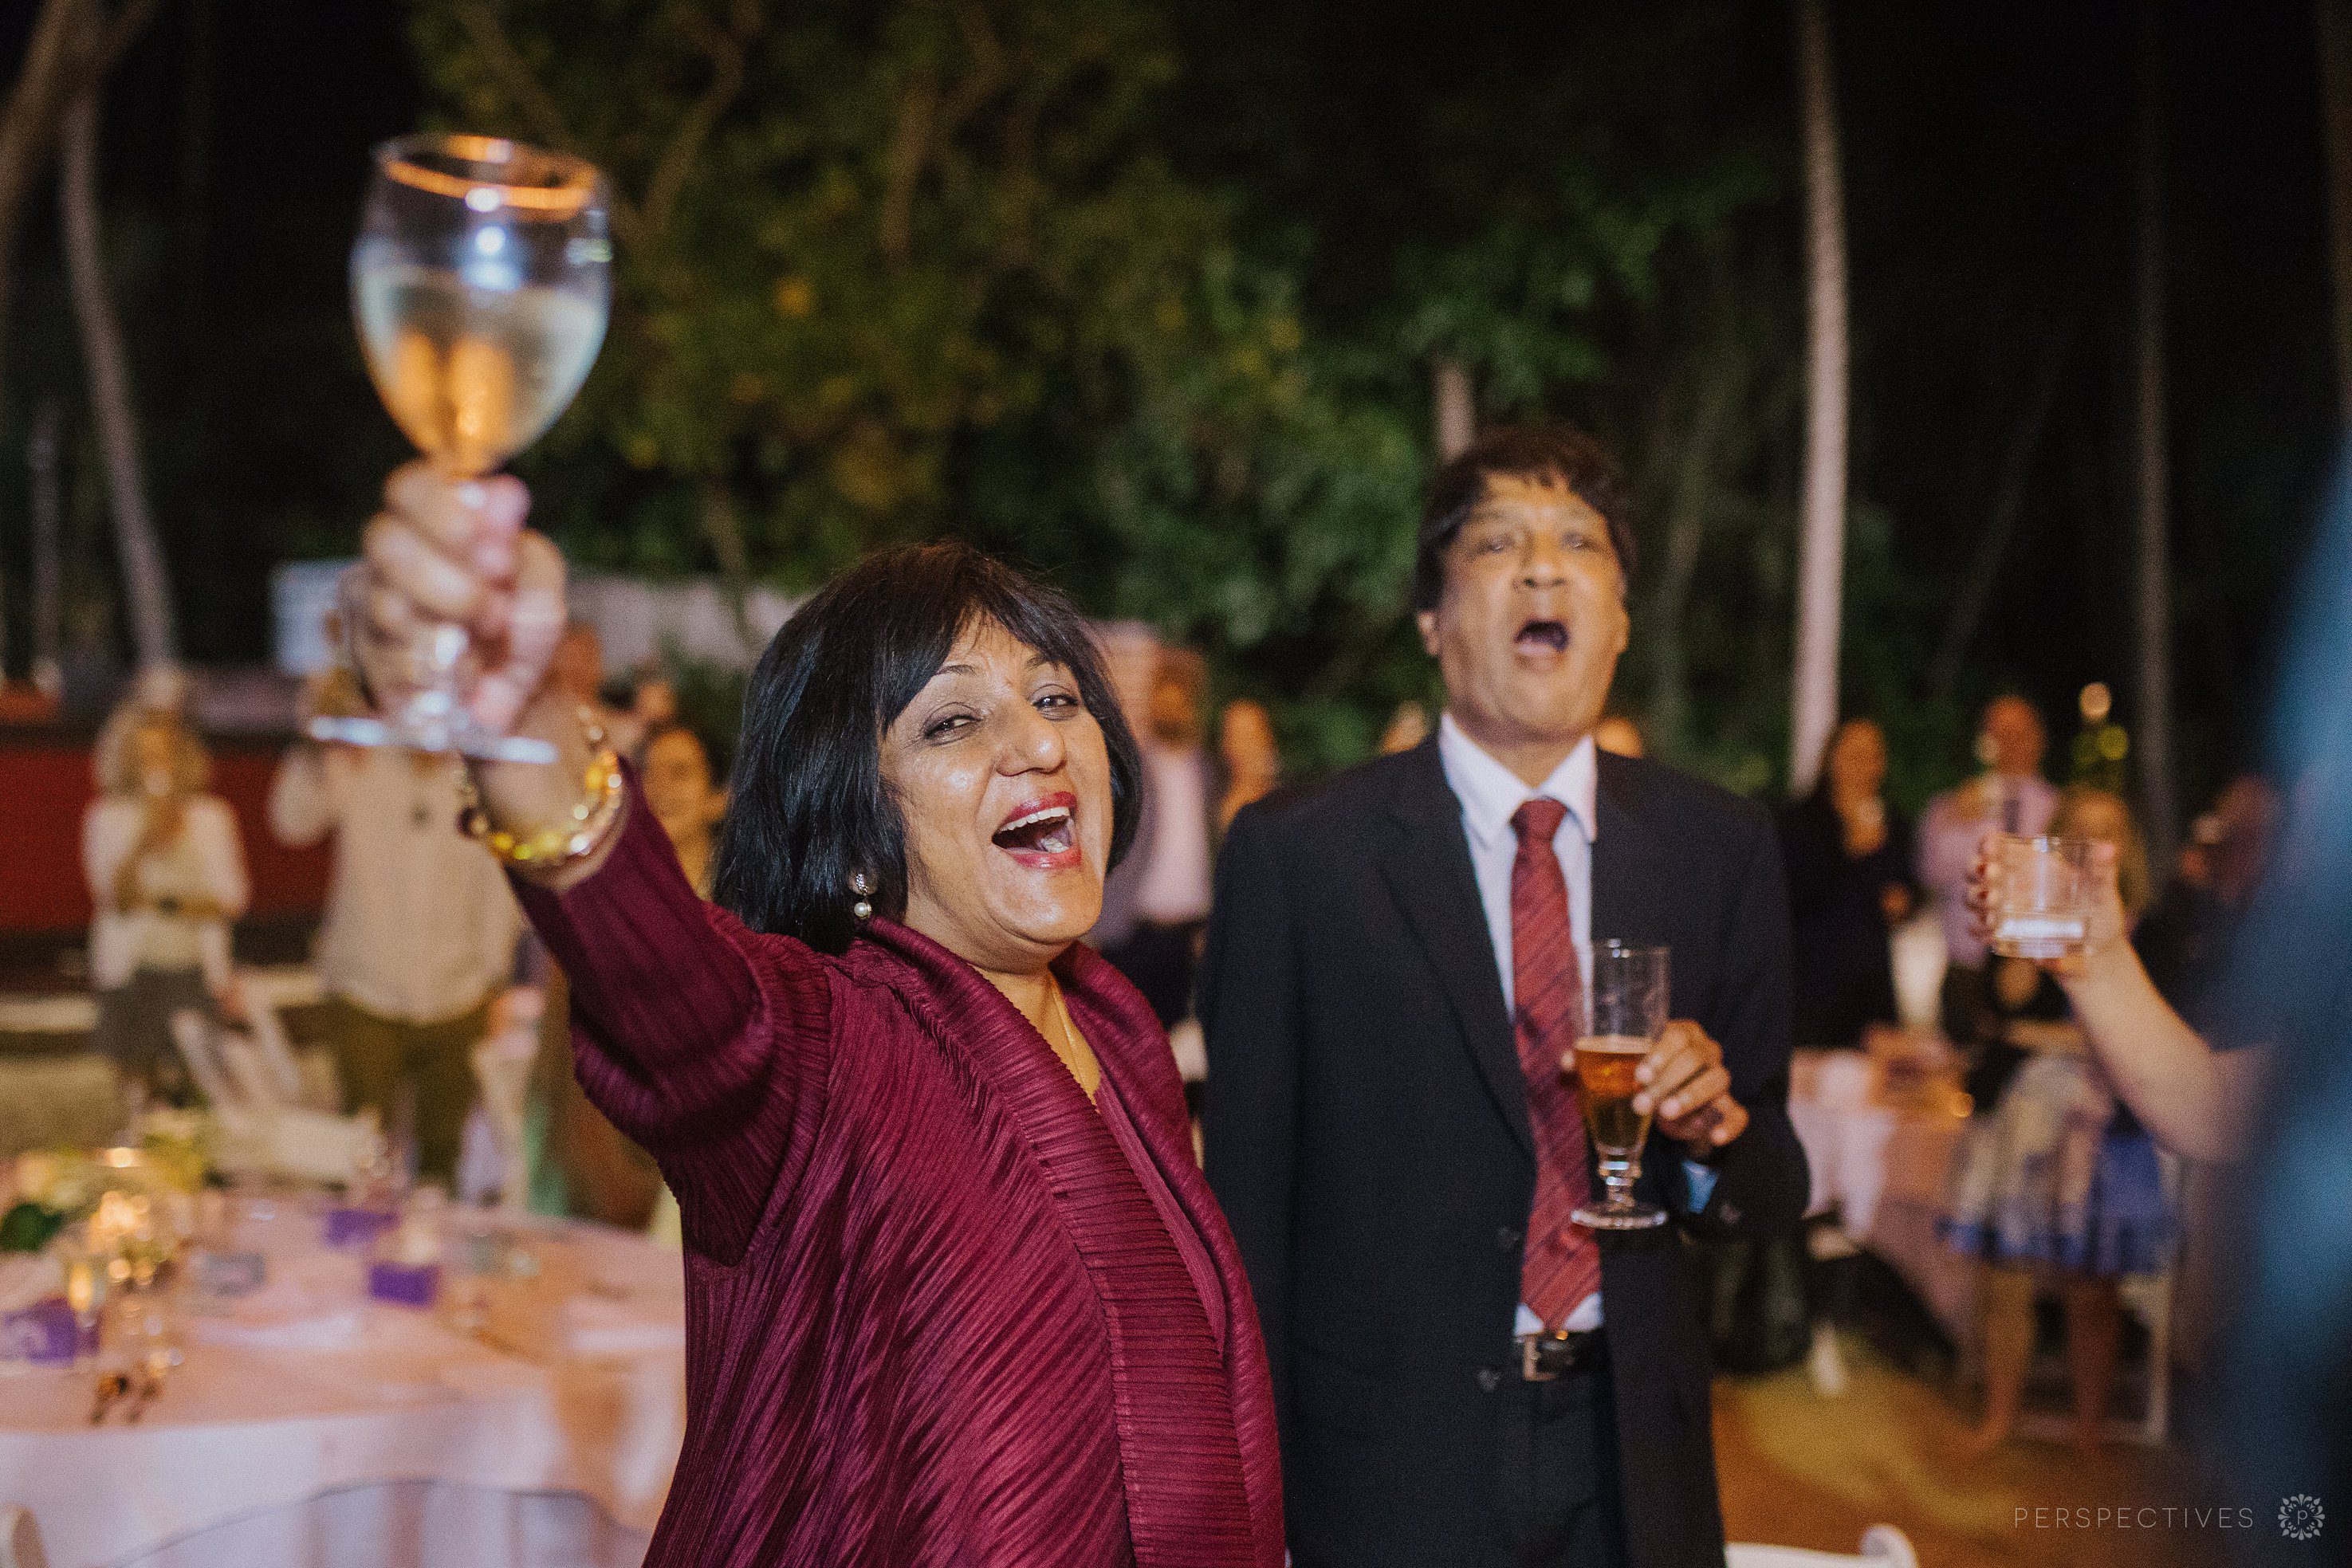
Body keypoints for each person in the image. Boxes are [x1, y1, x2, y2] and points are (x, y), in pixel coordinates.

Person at [344, 462, 1281, 1566]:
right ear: (849, 825)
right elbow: (678, 997)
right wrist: (523, 721)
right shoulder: (828, 1050)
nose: (1038, 743)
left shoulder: (1118, 1038)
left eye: (1055, 697)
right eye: (952, 722)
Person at [1202, 426, 1807, 1568]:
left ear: (1619, 618)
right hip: (1381, 1463)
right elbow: (1243, 1208)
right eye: (1496, 542)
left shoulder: (1716, 847)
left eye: (1578, 541)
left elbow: (1771, 1178)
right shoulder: (1301, 855)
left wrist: (1710, 1132)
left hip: (1632, 1456)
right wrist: (1242, 1497)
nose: (1541, 567)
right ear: (1432, 618)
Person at [1941, 787, 2173, 1455]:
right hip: (2024, 1114)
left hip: (2106, 1119)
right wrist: (2029, 914)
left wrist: (2052, 1032)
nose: (2098, 845)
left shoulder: (2150, 930)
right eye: (2083, 831)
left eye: (2111, 831)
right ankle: (1998, 1418)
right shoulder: (2035, 917)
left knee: (2094, 1284)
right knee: (2006, 1274)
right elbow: (2005, 1006)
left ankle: (2090, 1429)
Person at [269, 716, 522, 1185]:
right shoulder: (359, 758)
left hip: (459, 995)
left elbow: (499, 887)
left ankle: (432, 1235)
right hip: (365, 992)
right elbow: (290, 822)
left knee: (442, 1163)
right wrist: (315, 743)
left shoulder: (480, 779)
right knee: (359, 1160)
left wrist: (495, 978)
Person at [82, 705, 249, 1103]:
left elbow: (232, 900)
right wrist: (145, 841)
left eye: (164, 755)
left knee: (201, 1095)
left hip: (195, 976)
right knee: (140, 1100)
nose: (155, 766)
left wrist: (166, 904)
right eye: (145, 756)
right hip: (131, 976)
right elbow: (115, 900)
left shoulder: (211, 817)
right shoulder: (106, 817)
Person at [1918, 695, 2058, 1046]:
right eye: (2000, 734)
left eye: (2019, 734)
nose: (2010, 744)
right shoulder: (1951, 806)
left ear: (2039, 739)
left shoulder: (2059, 809)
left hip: (2035, 968)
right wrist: (1958, 820)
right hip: (1968, 967)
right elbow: (1931, 873)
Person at [1776, 717, 1915, 1052]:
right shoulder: (1799, 820)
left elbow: (1909, 887)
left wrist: (1903, 902)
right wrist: (1851, 848)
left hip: (1870, 983)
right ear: (1831, 759)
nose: (1863, 766)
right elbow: (1793, 893)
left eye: (1872, 757)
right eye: (1853, 755)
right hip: (1814, 982)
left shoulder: (1893, 823)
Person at [1099, 646, 1217, 1026]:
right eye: (1163, 697)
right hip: (1134, 930)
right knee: (1125, 1036)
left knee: (1178, 1040)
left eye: (1180, 699)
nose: (1171, 707)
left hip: (1190, 935)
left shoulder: (1207, 770)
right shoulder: (1130, 766)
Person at [1216, 698, 1281, 833]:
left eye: (1251, 737)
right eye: (1236, 738)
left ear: (1268, 741)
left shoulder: (1286, 803)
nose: (1244, 749)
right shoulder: (1208, 803)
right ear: (1225, 745)